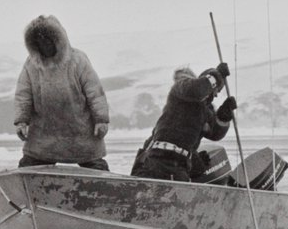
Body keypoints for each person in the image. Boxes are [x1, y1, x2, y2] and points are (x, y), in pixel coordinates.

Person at [13, 14, 110, 171]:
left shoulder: (78, 60)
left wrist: (101, 119)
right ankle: (23, 193)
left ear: (57, 41)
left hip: (80, 131)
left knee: (95, 168)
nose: (44, 45)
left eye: (47, 40)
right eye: (39, 42)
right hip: (43, 133)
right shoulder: (31, 64)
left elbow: (95, 92)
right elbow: (23, 94)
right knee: (28, 169)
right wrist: (21, 121)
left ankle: (108, 191)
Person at [131, 63, 237, 182]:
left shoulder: (204, 111)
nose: (216, 95)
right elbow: (196, 90)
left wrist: (224, 115)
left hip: (180, 166)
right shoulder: (181, 89)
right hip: (159, 160)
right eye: (216, 89)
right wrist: (217, 76)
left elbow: (214, 133)